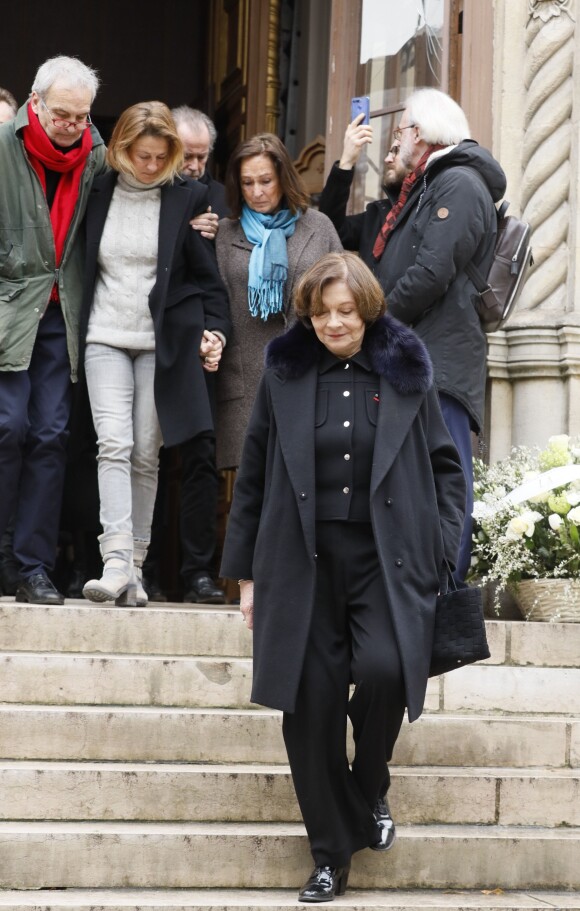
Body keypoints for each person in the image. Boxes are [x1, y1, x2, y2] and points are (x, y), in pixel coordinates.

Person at [220, 252, 465, 902]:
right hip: (301, 564)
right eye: (323, 311)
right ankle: (331, 852)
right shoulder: (286, 372)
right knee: (310, 708)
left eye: (346, 312)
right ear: (309, 311)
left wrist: (444, 545)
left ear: (368, 309)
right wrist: (245, 576)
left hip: (387, 561)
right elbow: (254, 472)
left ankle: (371, 781)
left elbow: (447, 467)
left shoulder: (406, 371)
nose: (334, 322)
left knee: (388, 669)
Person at [319, 89, 507, 582]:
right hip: (405, 357)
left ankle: (445, 591)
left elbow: (430, 273)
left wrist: (368, 325)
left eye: (400, 129)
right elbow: (329, 232)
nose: (396, 138)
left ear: (420, 134)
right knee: (402, 482)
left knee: (444, 480)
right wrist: (346, 163)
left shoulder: (459, 184)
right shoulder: (415, 193)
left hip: (439, 364)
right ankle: (409, 590)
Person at [79, 101, 230, 606]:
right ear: (121, 148)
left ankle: (135, 570)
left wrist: (216, 333)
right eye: (140, 155)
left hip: (159, 343)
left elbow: (208, 281)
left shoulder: (187, 198)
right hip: (104, 333)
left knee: (147, 453)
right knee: (113, 443)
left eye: (158, 157)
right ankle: (116, 559)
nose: (148, 165)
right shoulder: (96, 189)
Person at [0, 55, 106, 605]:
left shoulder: (96, 158)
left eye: (81, 117)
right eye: (62, 114)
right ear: (35, 104)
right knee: (8, 428)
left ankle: (32, 568)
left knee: (50, 438)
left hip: (61, 319)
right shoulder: (1, 146)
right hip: (8, 313)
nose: (71, 126)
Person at [141, 106, 231, 604]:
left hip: (197, 342)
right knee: (142, 452)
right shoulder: (137, 189)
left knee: (199, 455)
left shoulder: (213, 198)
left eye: (201, 157)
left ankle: (198, 572)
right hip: (143, 335)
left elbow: (215, 279)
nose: (194, 165)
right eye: (187, 155)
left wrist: (216, 332)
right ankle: (143, 567)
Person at [215, 132, 342, 472]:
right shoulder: (225, 233)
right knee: (251, 498)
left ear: (283, 178)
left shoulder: (319, 227)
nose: (257, 192)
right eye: (247, 183)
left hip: (308, 377)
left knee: (304, 489)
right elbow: (212, 303)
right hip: (245, 384)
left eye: (266, 181)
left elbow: (345, 295)